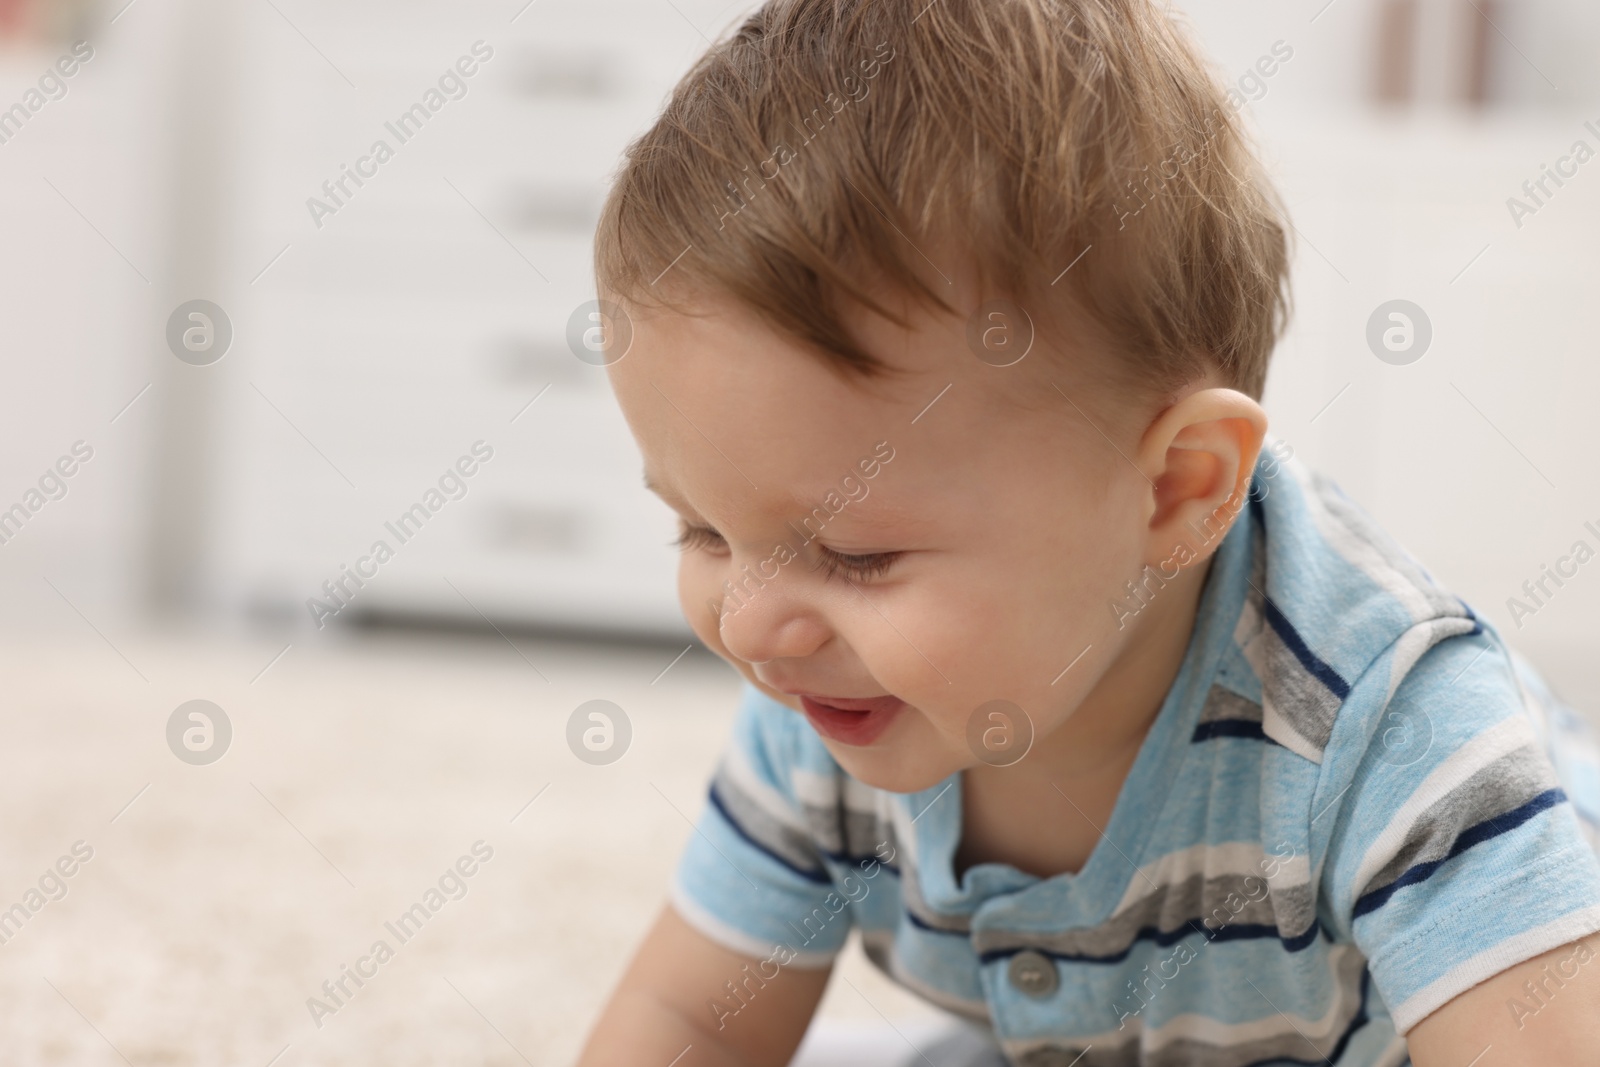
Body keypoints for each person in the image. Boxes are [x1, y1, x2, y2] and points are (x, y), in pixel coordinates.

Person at [574, 0, 1600, 1063]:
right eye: (701, 530)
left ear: (1174, 492)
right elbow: (689, 1019)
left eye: (858, 555)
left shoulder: (1394, 729)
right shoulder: (834, 694)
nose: (750, 623)